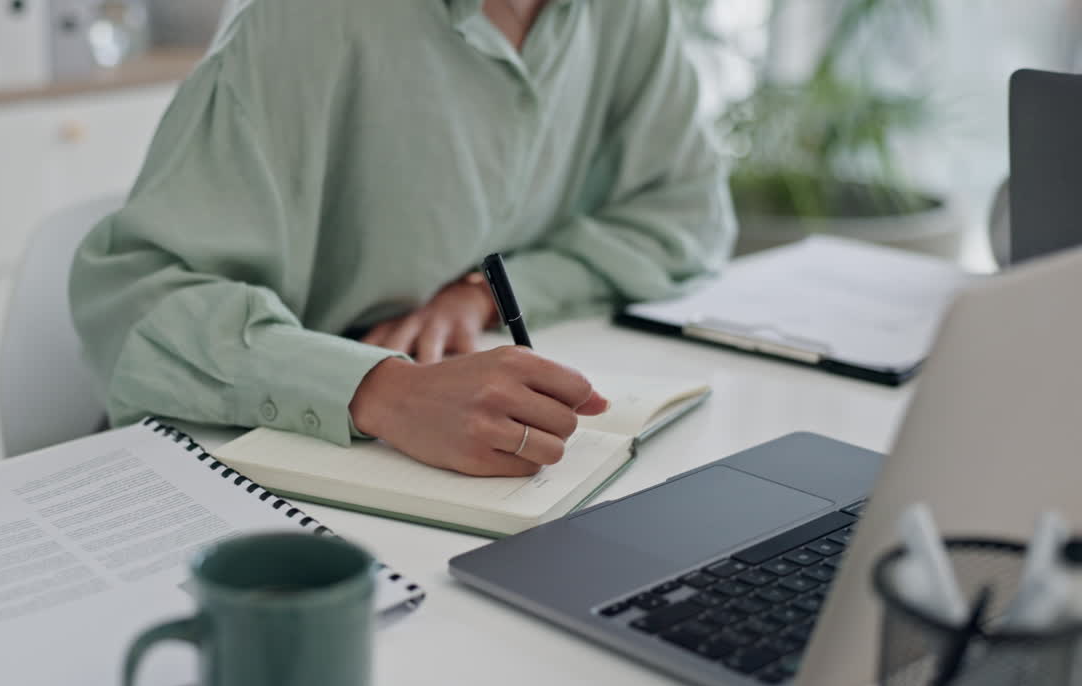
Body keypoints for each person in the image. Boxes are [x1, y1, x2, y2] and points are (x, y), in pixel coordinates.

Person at [69, 0, 736, 477]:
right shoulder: (301, 20)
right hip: (243, 471)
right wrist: (386, 393)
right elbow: (134, 299)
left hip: (461, 477)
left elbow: (688, 213)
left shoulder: (632, 16)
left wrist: (482, 294)